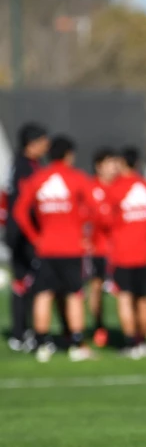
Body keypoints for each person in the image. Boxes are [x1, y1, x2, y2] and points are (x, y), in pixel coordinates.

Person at [12, 135, 98, 362]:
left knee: (43, 294)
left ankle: (41, 343)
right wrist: (82, 229)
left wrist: (35, 237)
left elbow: (19, 212)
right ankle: (77, 344)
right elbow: (94, 209)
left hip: (46, 247)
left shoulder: (38, 178)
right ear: (69, 155)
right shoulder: (78, 178)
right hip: (72, 248)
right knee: (74, 294)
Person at [105, 147, 146, 359]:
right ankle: (143, 341)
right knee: (143, 299)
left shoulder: (115, 188)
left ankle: (130, 342)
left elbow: (106, 221)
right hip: (144, 254)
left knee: (125, 299)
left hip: (122, 253)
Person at [5, 123, 49, 352]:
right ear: (32, 143)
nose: (46, 145)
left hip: (21, 232)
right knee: (27, 283)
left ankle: (22, 332)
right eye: (43, 140)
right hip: (23, 234)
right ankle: (22, 333)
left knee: (25, 282)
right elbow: (23, 205)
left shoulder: (28, 164)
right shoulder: (24, 167)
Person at [85, 147, 119, 348]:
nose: (114, 168)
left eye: (115, 163)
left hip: (121, 251)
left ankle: (133, 332)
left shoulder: (121, 187)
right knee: (95, 288)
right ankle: (99, 327)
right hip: (98, 250)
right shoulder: (90, 188)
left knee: (127, 291)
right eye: (109, 163)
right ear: (99, 166)